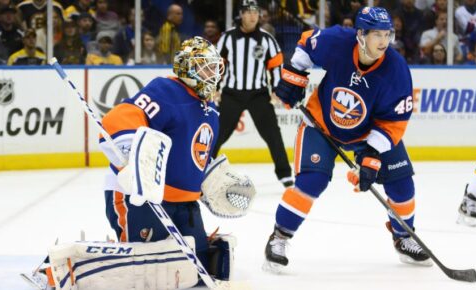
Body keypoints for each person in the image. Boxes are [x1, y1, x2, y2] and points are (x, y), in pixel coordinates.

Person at [23, 36, 246, 289]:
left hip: (185, 204)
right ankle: (56, 268)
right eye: (206, 66)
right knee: (142, 268)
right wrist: (131, 157)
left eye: (215, 67)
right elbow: (119, 118)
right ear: (187, 67)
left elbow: (195, 156)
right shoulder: (166, 90)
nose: (213, 73)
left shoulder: (211, 111)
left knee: (195, 269)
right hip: (140, 197)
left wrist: (211, 182)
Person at [265, 6, 432, 273]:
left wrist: (371, 156)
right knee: (311, 181)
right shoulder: (338, 41)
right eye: (376, 34)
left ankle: (403, 237)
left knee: (402, 185)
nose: (383, 41)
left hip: (370, 132)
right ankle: (279, 237)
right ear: (360, 35)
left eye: (387, 34)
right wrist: (294, 77)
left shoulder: (396, 69)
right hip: (321, 124)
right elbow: (306, 45)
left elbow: (393, 122)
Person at [213, 0, 293, 188]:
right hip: (232, 93)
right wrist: (214, 87)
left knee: (273, 134)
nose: (252, 16)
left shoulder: (267, 39)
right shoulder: (227, 38)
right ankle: (203, 167)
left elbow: (275, 66)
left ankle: (285, 174)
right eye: (248, 12)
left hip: (258, 94)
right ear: (241, 14)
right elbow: (217, 64)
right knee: (218, 133)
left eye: (255, 12)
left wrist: (276, 90)